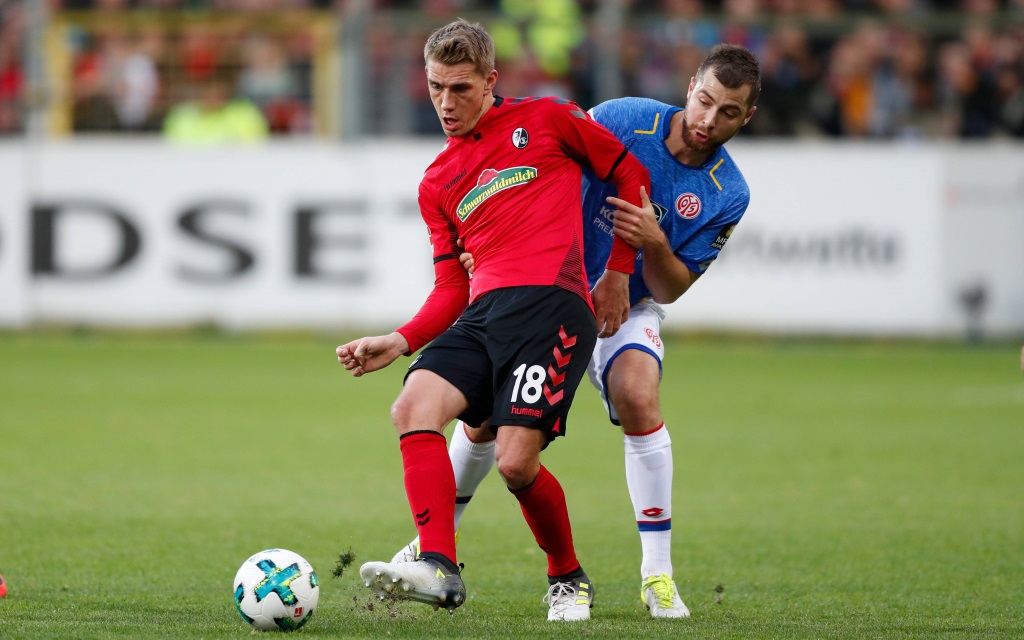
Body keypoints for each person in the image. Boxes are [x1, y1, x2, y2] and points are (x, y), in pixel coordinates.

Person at [392, 43, 761, 620]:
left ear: (748, 117)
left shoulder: (728, 192)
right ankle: (433, 548)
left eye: (729, 113)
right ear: (690, 86)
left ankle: (657, 574)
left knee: (637, 395)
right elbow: (543, 168)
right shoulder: (619, 116)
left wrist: (647, 249)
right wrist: (491, 251)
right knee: (484, 421)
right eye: (706, 101)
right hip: (545, 283)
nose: (708, 120)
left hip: (624, 304)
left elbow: (669, 289)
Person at [336, 18, 651, 622]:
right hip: (484, 315)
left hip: (554, 309)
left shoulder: (551, 118)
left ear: (490, 82)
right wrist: (400, 340)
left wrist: (616, 272)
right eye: (435, 88)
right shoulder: (437, 181)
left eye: (460, 88)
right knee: (412, 406)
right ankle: (438, 566)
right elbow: (452, 286)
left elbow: (628, 173)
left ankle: (568, 576)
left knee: (513, 462)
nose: (446, 103)